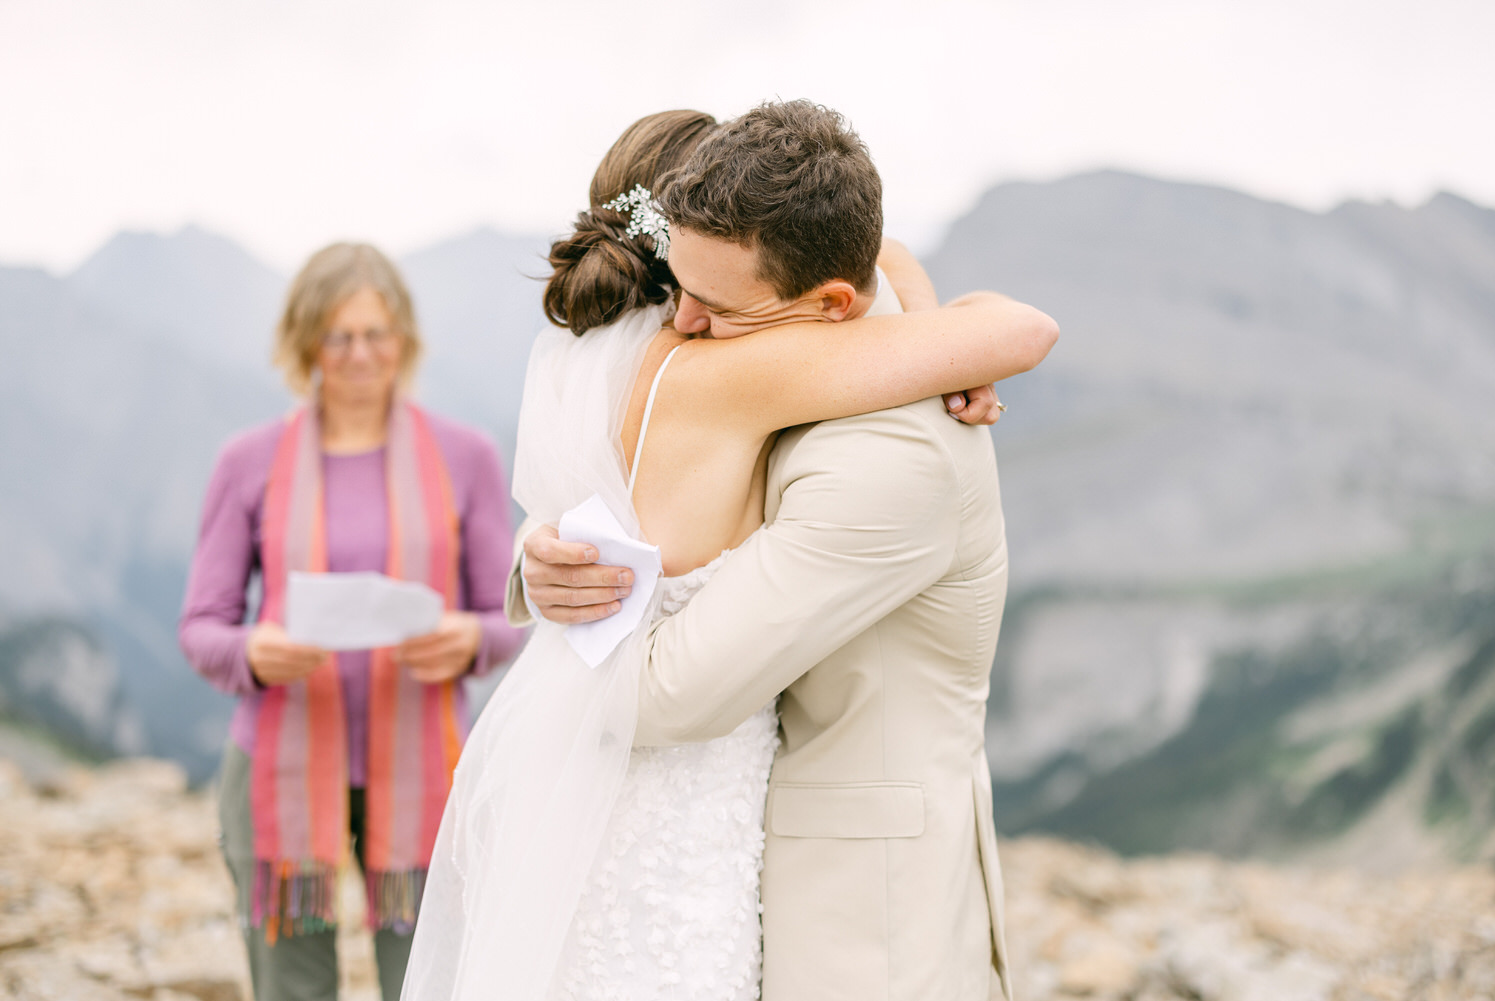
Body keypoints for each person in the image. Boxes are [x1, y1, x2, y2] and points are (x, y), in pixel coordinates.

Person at [402, 107, 1054, 1001]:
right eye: (679, 286)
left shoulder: (891, 448)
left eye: (717, 301)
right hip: (715, 840)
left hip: (860, 907)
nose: (687, 323)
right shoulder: (762, 343)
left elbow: (672, 691)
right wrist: (543, 556)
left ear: (828, 303)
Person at [178, 242, 524, 1001]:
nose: (362, 353)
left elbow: (515, 612)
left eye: (378, 333)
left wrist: (472, 638)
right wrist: (255, 652)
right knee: (290, 987)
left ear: (404, 338)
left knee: (429, 979)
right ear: (306, 343)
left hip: (427, 764)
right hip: (278, 762)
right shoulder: (249, 460)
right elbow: (202, 625)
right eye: (340, 336)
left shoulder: (466, 457)